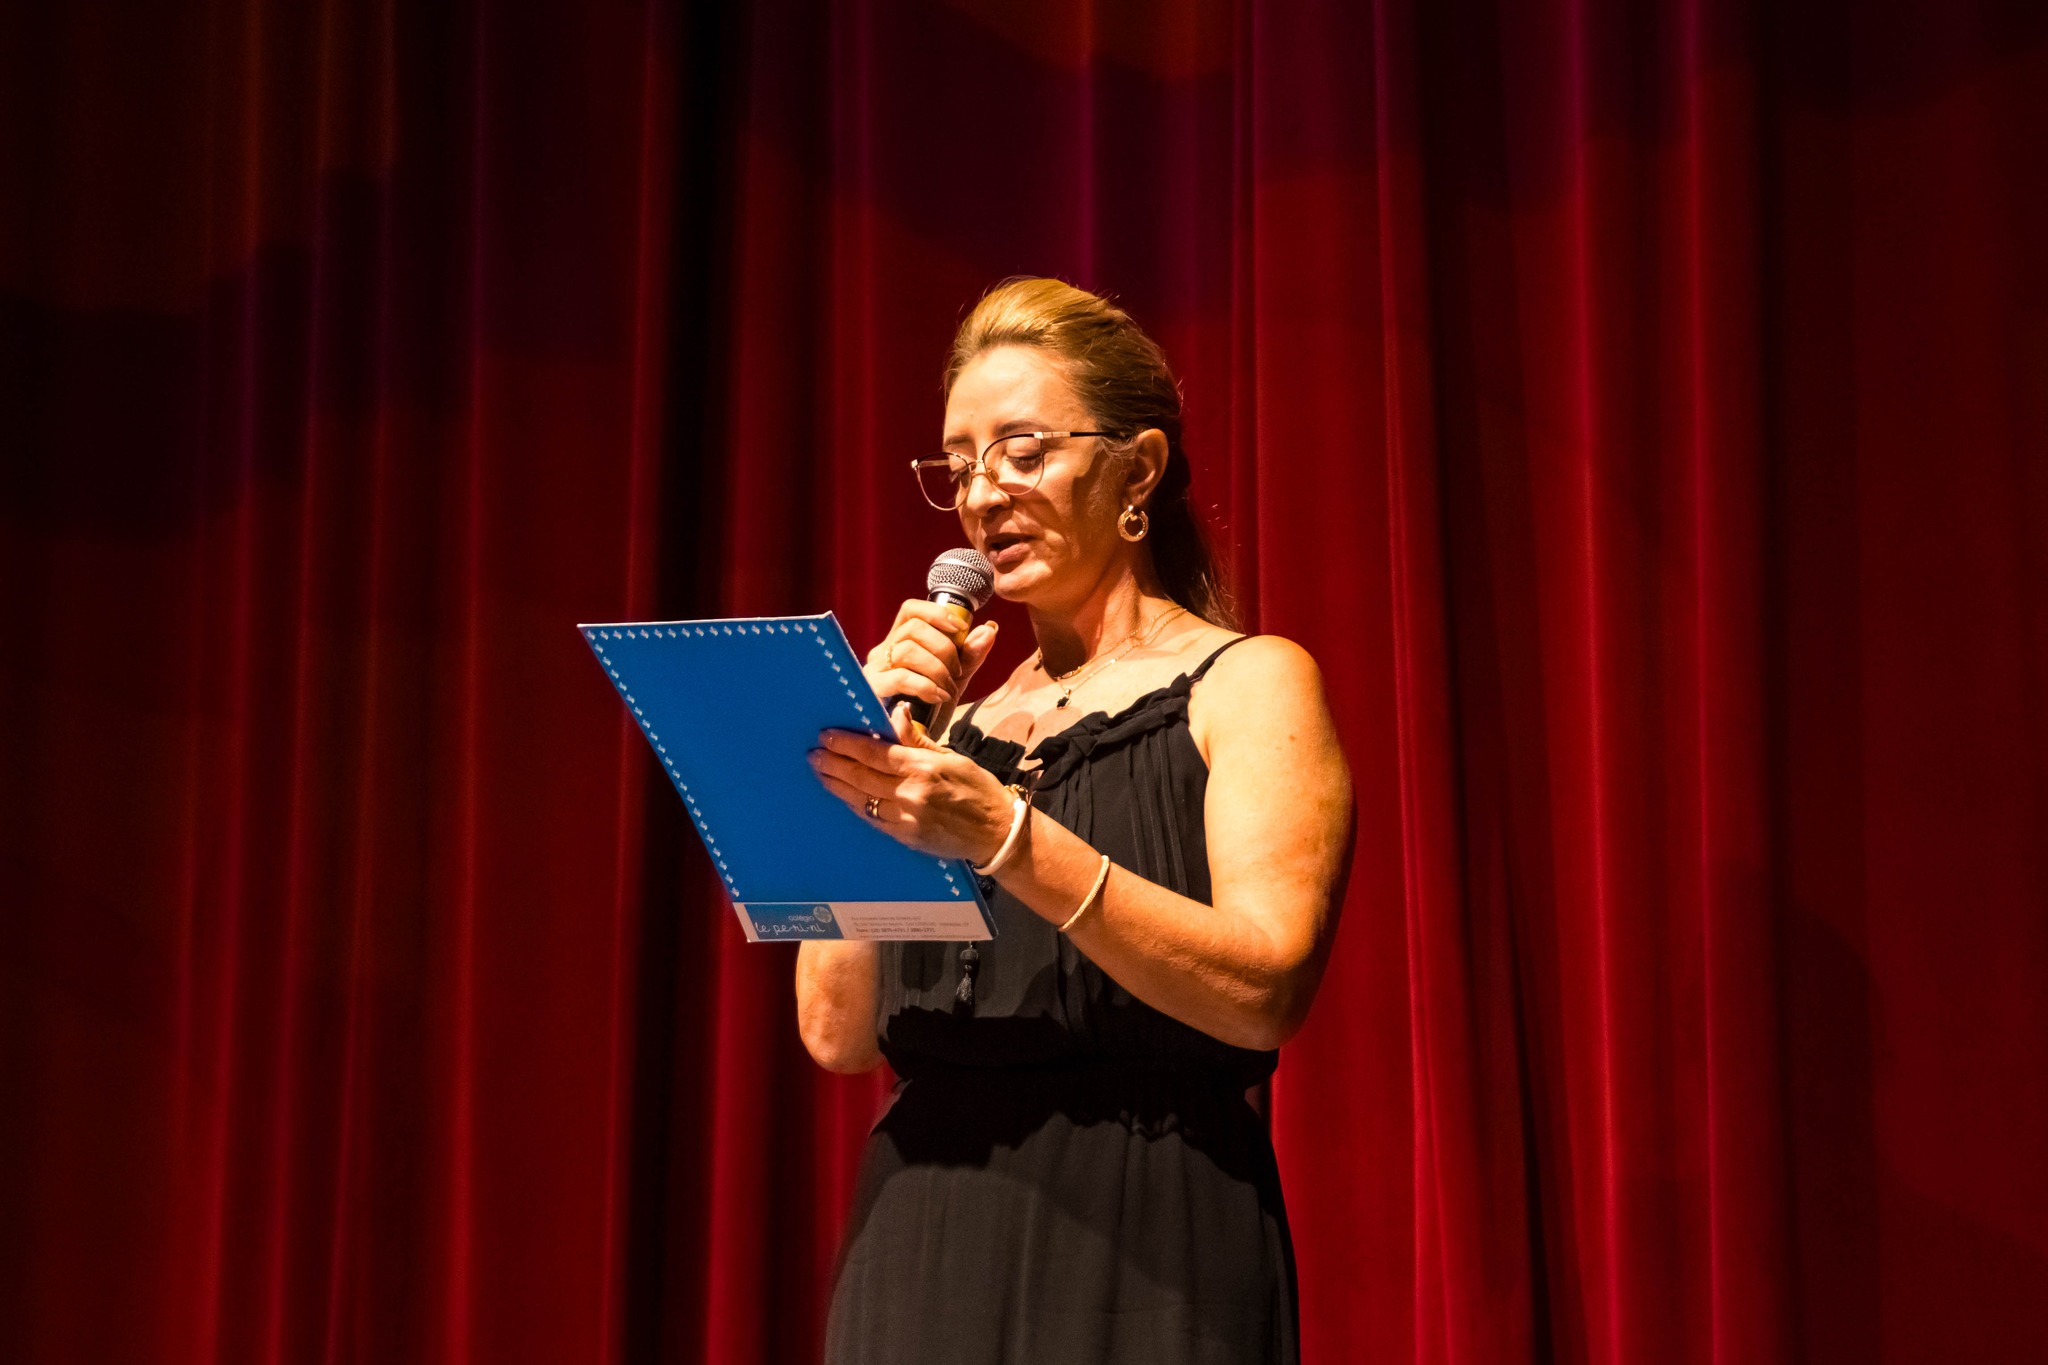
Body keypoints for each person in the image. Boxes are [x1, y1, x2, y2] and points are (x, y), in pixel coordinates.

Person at [799, 277, 1353, 1363]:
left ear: (1136, 469)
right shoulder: (949, 735)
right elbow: (837, 1031)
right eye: (959, 466)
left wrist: (1008, 839)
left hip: (1147, 1241)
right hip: (920, 1242)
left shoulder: (1248, 685)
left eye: (1021, 451)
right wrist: (867, 760)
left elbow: (1264, 991)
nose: (982, 495)